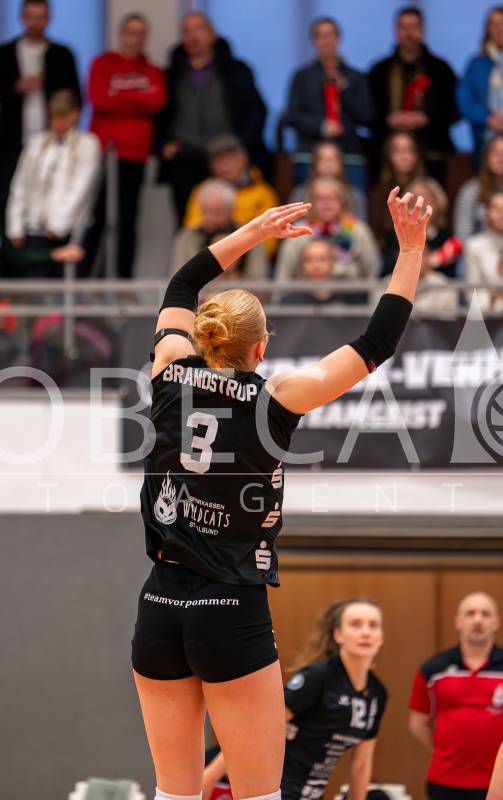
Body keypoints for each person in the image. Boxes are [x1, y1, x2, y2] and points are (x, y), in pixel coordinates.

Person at [130, 187, 431, 800]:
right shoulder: (276, 398)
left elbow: (182, 285)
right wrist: (410, 250)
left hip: (159, 602)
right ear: (261, 348)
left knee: (172, 793)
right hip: (231, 606)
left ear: (205, 337)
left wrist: (253, 232)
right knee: (262, 794)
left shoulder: (168, 365)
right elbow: (377, 343)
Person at [202, 599, 387, 800]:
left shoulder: (377, 694)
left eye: (373, 625)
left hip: (312, 792)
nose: (366, 632)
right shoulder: (318, 677)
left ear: (381, 637)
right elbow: (260, 730)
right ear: (338, 634)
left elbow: (361, 764)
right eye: (356, 624)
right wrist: (210, 776)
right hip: (277, 786)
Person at [156, 12, 267, 223]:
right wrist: (162, 145)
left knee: (233, 219)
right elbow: (157, 115)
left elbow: (257, 111)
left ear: (212, 33)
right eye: (187, 31)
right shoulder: (171, 74)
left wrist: (243, 146)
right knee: (188, 221)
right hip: (185, 158)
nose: (193, 36)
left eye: (198, 29)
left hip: (226, 156)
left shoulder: (236, 70)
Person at [86, 13, 166, 279]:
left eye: (141, 33)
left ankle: (123, 279)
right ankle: (86, 278)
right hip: (103, 153)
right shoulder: (102, 64)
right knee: (97, 217)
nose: (136, 38)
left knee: (128, 218)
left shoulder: (152, 70)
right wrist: (137, 99)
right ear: (121, 34)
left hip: (135, 153)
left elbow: (156, 101)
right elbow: (99, 99)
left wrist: (119, 97)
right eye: (131, 32)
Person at [0, 0, 81, 260]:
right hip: (12, 141)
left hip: (51, 141)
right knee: (12, 199)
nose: (35, 22)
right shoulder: (6, 53)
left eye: (40, 17)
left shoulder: (61, 54)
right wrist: (15, 88)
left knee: (50, 197)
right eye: (30, 16)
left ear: (48, 19)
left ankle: (49, 257)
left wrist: (47, 84)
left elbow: (73, 96)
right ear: (22, 18)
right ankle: (13, 259)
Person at [409, 591, 503, 800]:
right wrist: (444, 751)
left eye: (485, 614)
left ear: (497, 622)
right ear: (458, 621)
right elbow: (418, 723)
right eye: (470, 613)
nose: (477, 620)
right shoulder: (433, 669)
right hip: (445, 781)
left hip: (498, 781)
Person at [4, 90, 100, 279]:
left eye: (63, 117)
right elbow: (20, 186)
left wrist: (56, 225)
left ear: (75, 114)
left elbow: (79, 189)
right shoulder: (36, 143)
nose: (57, 123)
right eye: (54, 117)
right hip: (33, 228)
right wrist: (15, 226)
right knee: (32, 282)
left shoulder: (87, 144)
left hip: (68, 230)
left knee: (62, 284)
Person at [368, 6, 458, 183]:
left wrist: (427, 118)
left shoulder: (440, 69)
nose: (409, 33)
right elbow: (367, 111)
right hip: (387, 152)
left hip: (431, 151)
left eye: (414, 27)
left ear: (423, 31)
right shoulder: (379, 70)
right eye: (403, 27)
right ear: (395, 31)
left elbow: (454, 110)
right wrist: (389, 118)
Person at [283, 16, 373, 191]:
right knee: (305, 202)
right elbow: (292, 116)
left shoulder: (355, 76)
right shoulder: (302, 76)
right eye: (321, 36)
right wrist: (321, 127)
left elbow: (367, 116)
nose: (326, 41)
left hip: (348, 153)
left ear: (338, 38)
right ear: (314, 40)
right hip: (309, 153)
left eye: (330, 35)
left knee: (355, 201)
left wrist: (345, 91)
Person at [275, 177, 379, 302]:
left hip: (349, 299)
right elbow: (284, 274)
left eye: (332, 198)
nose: (327, 204)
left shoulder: (359, 230)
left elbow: (372, 272)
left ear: (342, 202)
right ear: (311, 203)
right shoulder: (297, 231)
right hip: (304, 298)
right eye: (320, 199)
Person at [183, 137, 279, 259]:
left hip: (247, 253)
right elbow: (192, 225)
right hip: (206, 249)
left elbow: (269, 240)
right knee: (184, 239)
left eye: (230, 160)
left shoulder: (263, 192)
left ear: (243, 159)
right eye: (219, 161)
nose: (225, 166)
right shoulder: (202, 190)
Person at [171, 178, 269, 281]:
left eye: (217, 212)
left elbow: (259, 280)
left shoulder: (251, 236)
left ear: (231, 210)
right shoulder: (185, 239)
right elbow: (178, 280)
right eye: (205, 211)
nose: (211, 218)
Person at [382, 177, 462, 279]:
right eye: (415, 199)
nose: (421, 205)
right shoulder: (396, 234)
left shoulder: (446, 236)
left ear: (438, 203)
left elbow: (451, 273)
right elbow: (388, 266)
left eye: (427, 199)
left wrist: (433, 260)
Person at [458, 6, 503, 166]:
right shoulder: (477, 63)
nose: (500, 29)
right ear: (487, 30)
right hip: (485, 137)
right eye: (495, 25)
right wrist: (487, 118)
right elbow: (464, 100)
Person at [370, 131, 425, 247]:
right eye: (397, 150)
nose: (404, 156)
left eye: (410, 150)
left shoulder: (425, 189)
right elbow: (377, 233)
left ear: (417, 155)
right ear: (388, 155)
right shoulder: (379, 192)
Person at [289, 141, 367, 221]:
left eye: (333, 159)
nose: (328, 164)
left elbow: (360, 224)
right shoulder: (300, 194)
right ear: (315, 163)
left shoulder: (355, 195)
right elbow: (293, 223)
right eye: (323, 159)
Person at [454, 135, 503, 242]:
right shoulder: (470, 190)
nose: (500, 158)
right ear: (486, 157)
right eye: (496, 153)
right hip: (479, 249)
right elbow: (462, 235)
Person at [464, 191, 503, 312]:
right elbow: (472, 294)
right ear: (486, 213)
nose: (501, 214)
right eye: (496, 208)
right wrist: (492, 298)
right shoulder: (474, 246)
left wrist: (496, 294)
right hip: (488, 316)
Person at [280, 238, 340, 306]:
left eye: (322, 259)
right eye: (309, 260)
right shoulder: (289, 302)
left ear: (333, 262)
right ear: (301, 265)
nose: (316, 266)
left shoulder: (347, 298)